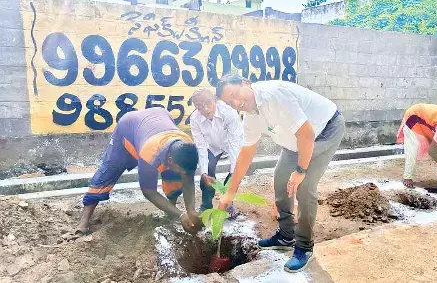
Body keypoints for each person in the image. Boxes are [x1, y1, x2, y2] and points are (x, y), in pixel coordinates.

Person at [215, 74, 345, 273]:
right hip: (295, 140)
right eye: (229, 102)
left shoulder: (274, 95)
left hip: (324, 129)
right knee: (281, 178)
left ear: (245, 84)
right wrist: (230, 193)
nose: (236, 103)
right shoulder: (251, 116)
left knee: (304, 187)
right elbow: (246, 153)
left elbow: (307, 134)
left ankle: (304, 247)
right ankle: (286, 236)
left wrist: (301, 171)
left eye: (235, 94)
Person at [76, 108, 202, 236]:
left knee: (174, 176)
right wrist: (181, 214)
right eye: (181, 169)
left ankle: (170, 211)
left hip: (158, 119)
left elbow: (188, 178)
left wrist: (191, 211)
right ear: (169, 160)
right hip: (128, 129)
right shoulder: (150, 153)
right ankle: (84, 221)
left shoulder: (187, 146)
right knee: (109, 170)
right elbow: (149, 191)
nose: (183, 173)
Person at [190, 88, 243, 217]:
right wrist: (204, 172)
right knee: (207, 172)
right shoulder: (195, 119)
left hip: (232, 145)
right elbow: (201, 146)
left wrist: (233, 172)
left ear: (215, 99)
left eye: (208, 103)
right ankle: (206, 205)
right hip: (212, 147)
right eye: (200, 107)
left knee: (234, 175)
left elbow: (234, 143)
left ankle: (228, 204)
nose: (206, 109)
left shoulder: (228, 113)